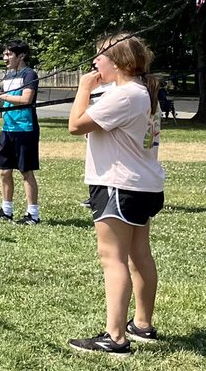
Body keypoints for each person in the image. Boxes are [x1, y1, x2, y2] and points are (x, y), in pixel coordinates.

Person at [66, 33, 165, 354]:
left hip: (119, 185)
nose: (95, 62)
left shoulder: (125, 96)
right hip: (142, 185)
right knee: (139, 256)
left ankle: (116, 337)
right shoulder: (139, 92)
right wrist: (95, 89)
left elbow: (76, 125)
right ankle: (142, 325)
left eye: (100, 56)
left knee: (113, 259)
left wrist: (83, 90)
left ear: (119, 62)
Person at [0, 41, 41, 225]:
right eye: (4, 55)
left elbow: (25, 99)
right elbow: (5, 103)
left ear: (21, 56)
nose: (5, 58)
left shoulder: (30, 74)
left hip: (25, 129)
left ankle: (33, 215)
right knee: (4, 172)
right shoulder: (8, 76)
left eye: (8, 55)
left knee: (25, 172)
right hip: (7, 129)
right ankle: (6, 210)